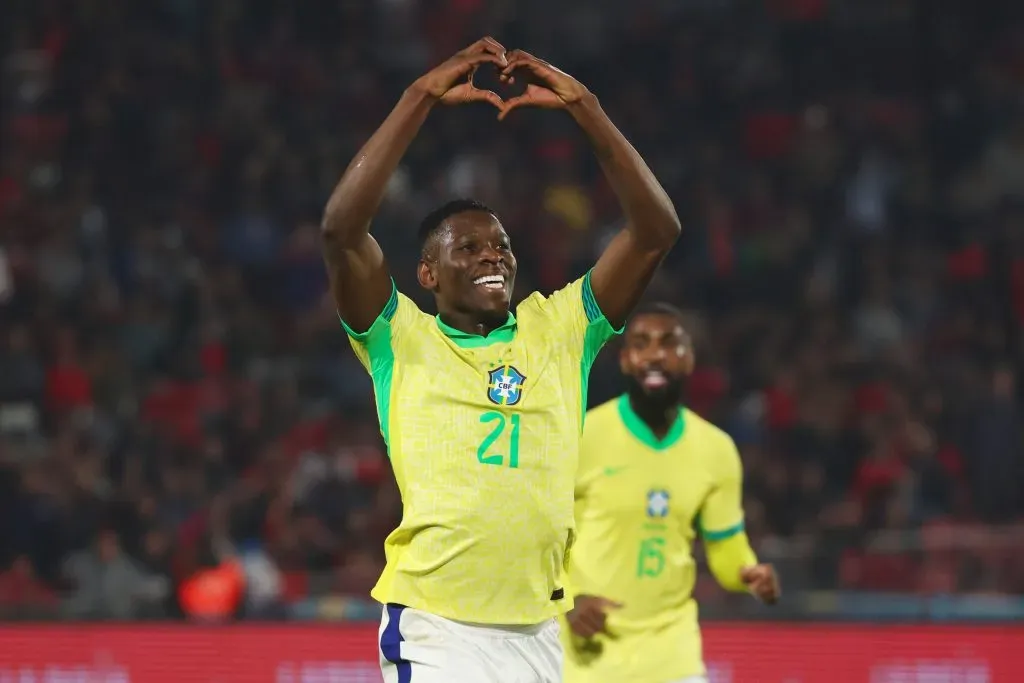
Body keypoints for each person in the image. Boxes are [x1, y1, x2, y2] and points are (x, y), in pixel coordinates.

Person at [320, 37, 680, 683]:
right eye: (469, 246)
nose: (493, 255)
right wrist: (418, 97)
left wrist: (588, 109)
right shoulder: (398, 336)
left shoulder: (561, 327)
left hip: (537, 630)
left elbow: (656, 229)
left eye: (502, 244)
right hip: (438, 626)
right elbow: (342, 230)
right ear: (427, 271)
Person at [562, 303, 780, 683]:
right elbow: (538, 539)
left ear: (689, 358)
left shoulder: (716, 449)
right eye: (641, 344)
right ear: (625, 360)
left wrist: (747, 574)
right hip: (584, 661)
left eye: (669, 342)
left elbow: (726, 546)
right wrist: (566, 600)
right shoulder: (582, 436)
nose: (655, 354)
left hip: (673, 658)